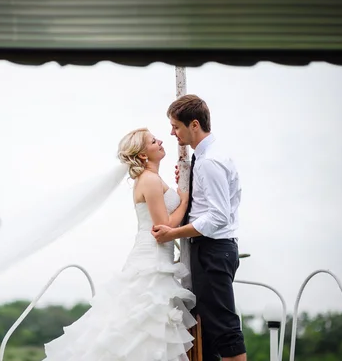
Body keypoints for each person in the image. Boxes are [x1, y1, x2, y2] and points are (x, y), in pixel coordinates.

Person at [42, 127, 197, 361]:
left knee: (145, 328)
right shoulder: (150, 180)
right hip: (152, 261)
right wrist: (184, 200)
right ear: (143, 155)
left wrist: (178, 187)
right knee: (144, 324)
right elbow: (164, 228)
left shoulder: (152, 179)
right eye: (154, 141)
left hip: (155, 259)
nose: (161, 141)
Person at [151, 94, 247, 361]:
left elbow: (218, 217)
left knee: (224, 329)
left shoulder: (209, 162)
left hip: (213, 250)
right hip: (208, 250)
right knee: (210, 330)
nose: (172, 132)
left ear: (194, 124)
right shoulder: (203, 160)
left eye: (176, 126)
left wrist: (173, 234)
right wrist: (189, 184)